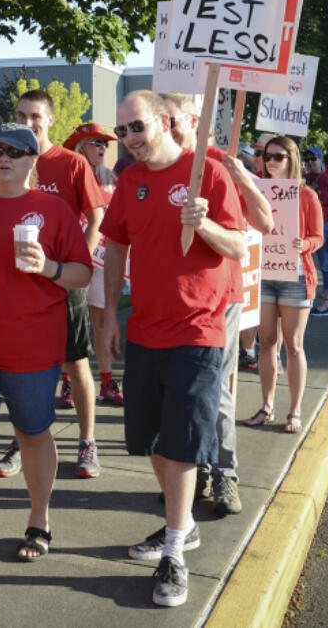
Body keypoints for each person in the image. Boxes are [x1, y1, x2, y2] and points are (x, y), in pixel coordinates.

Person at [100, 91, 246, 608]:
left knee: (182, 445)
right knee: (154, 443)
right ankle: (181, 525)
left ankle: (175, 553)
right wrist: (113, 314)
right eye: (123, 132)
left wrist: (201, 220)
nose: (130, 139)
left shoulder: (205, 172)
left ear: (163, 121)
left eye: (137, 127)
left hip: (197, 329)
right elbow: (115, 243)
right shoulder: (130, 181)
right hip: (143, 329)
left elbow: (239, 245)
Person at [0, 124, 92, 560]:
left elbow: (83, 273)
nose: (4, 156)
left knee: (32, 432)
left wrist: (47, 268)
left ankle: (39, 520)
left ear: (33, 160)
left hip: (34, 345)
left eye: (16, 150)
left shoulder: (54, 209)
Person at [161, 94, 272, 518]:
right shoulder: (147, 166)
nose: (166, 128)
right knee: (177, 392)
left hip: (216, 300)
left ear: (195, 119)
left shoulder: (217, 162)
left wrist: (241, 177)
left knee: (215, 389)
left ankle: (224, 471)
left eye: (172, 120)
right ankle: (191, 468)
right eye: (160, 120)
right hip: (166, 302)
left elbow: (265, 222)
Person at [0, 89, 104, 481]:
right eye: (22, 115)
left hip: (61, 277)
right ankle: (20, 443)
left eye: (35, 116)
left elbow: (96, 214)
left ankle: (88, 441)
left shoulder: (70, 163)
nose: (28, 123)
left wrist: (72, 264)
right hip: (18, 286)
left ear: (50, 120)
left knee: (75, 363)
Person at [243, 137, 323, 435]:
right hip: (264, 273)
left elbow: (319, 236)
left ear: (292, 159)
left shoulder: (306, 195)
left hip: (296, 276)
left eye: (278, 156)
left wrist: (305, 244)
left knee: (293, 345)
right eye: (266, 156)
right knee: (266, 343)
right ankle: (266, 406)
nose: (271, 161)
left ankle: (295, 409)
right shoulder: (256, 192)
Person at [62, 122, 123, 406]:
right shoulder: (67, 175)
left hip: (102, 259)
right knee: (69, 323)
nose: (102, 148)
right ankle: (67, 385)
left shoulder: (113, 180)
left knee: (100, 321)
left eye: (105, 144)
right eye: (96, 142)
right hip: (72, 258)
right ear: (80, 146)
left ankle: (108, 383)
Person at [302, 148, 328, 316]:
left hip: (323, 225)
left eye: (313, 159)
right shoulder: (302, 179)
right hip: (303, 226)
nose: (310, 162)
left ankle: (327, 300)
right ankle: (307, 296)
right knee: (305, 263)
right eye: (307, 159)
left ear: (321, 159)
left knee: (325, 262)